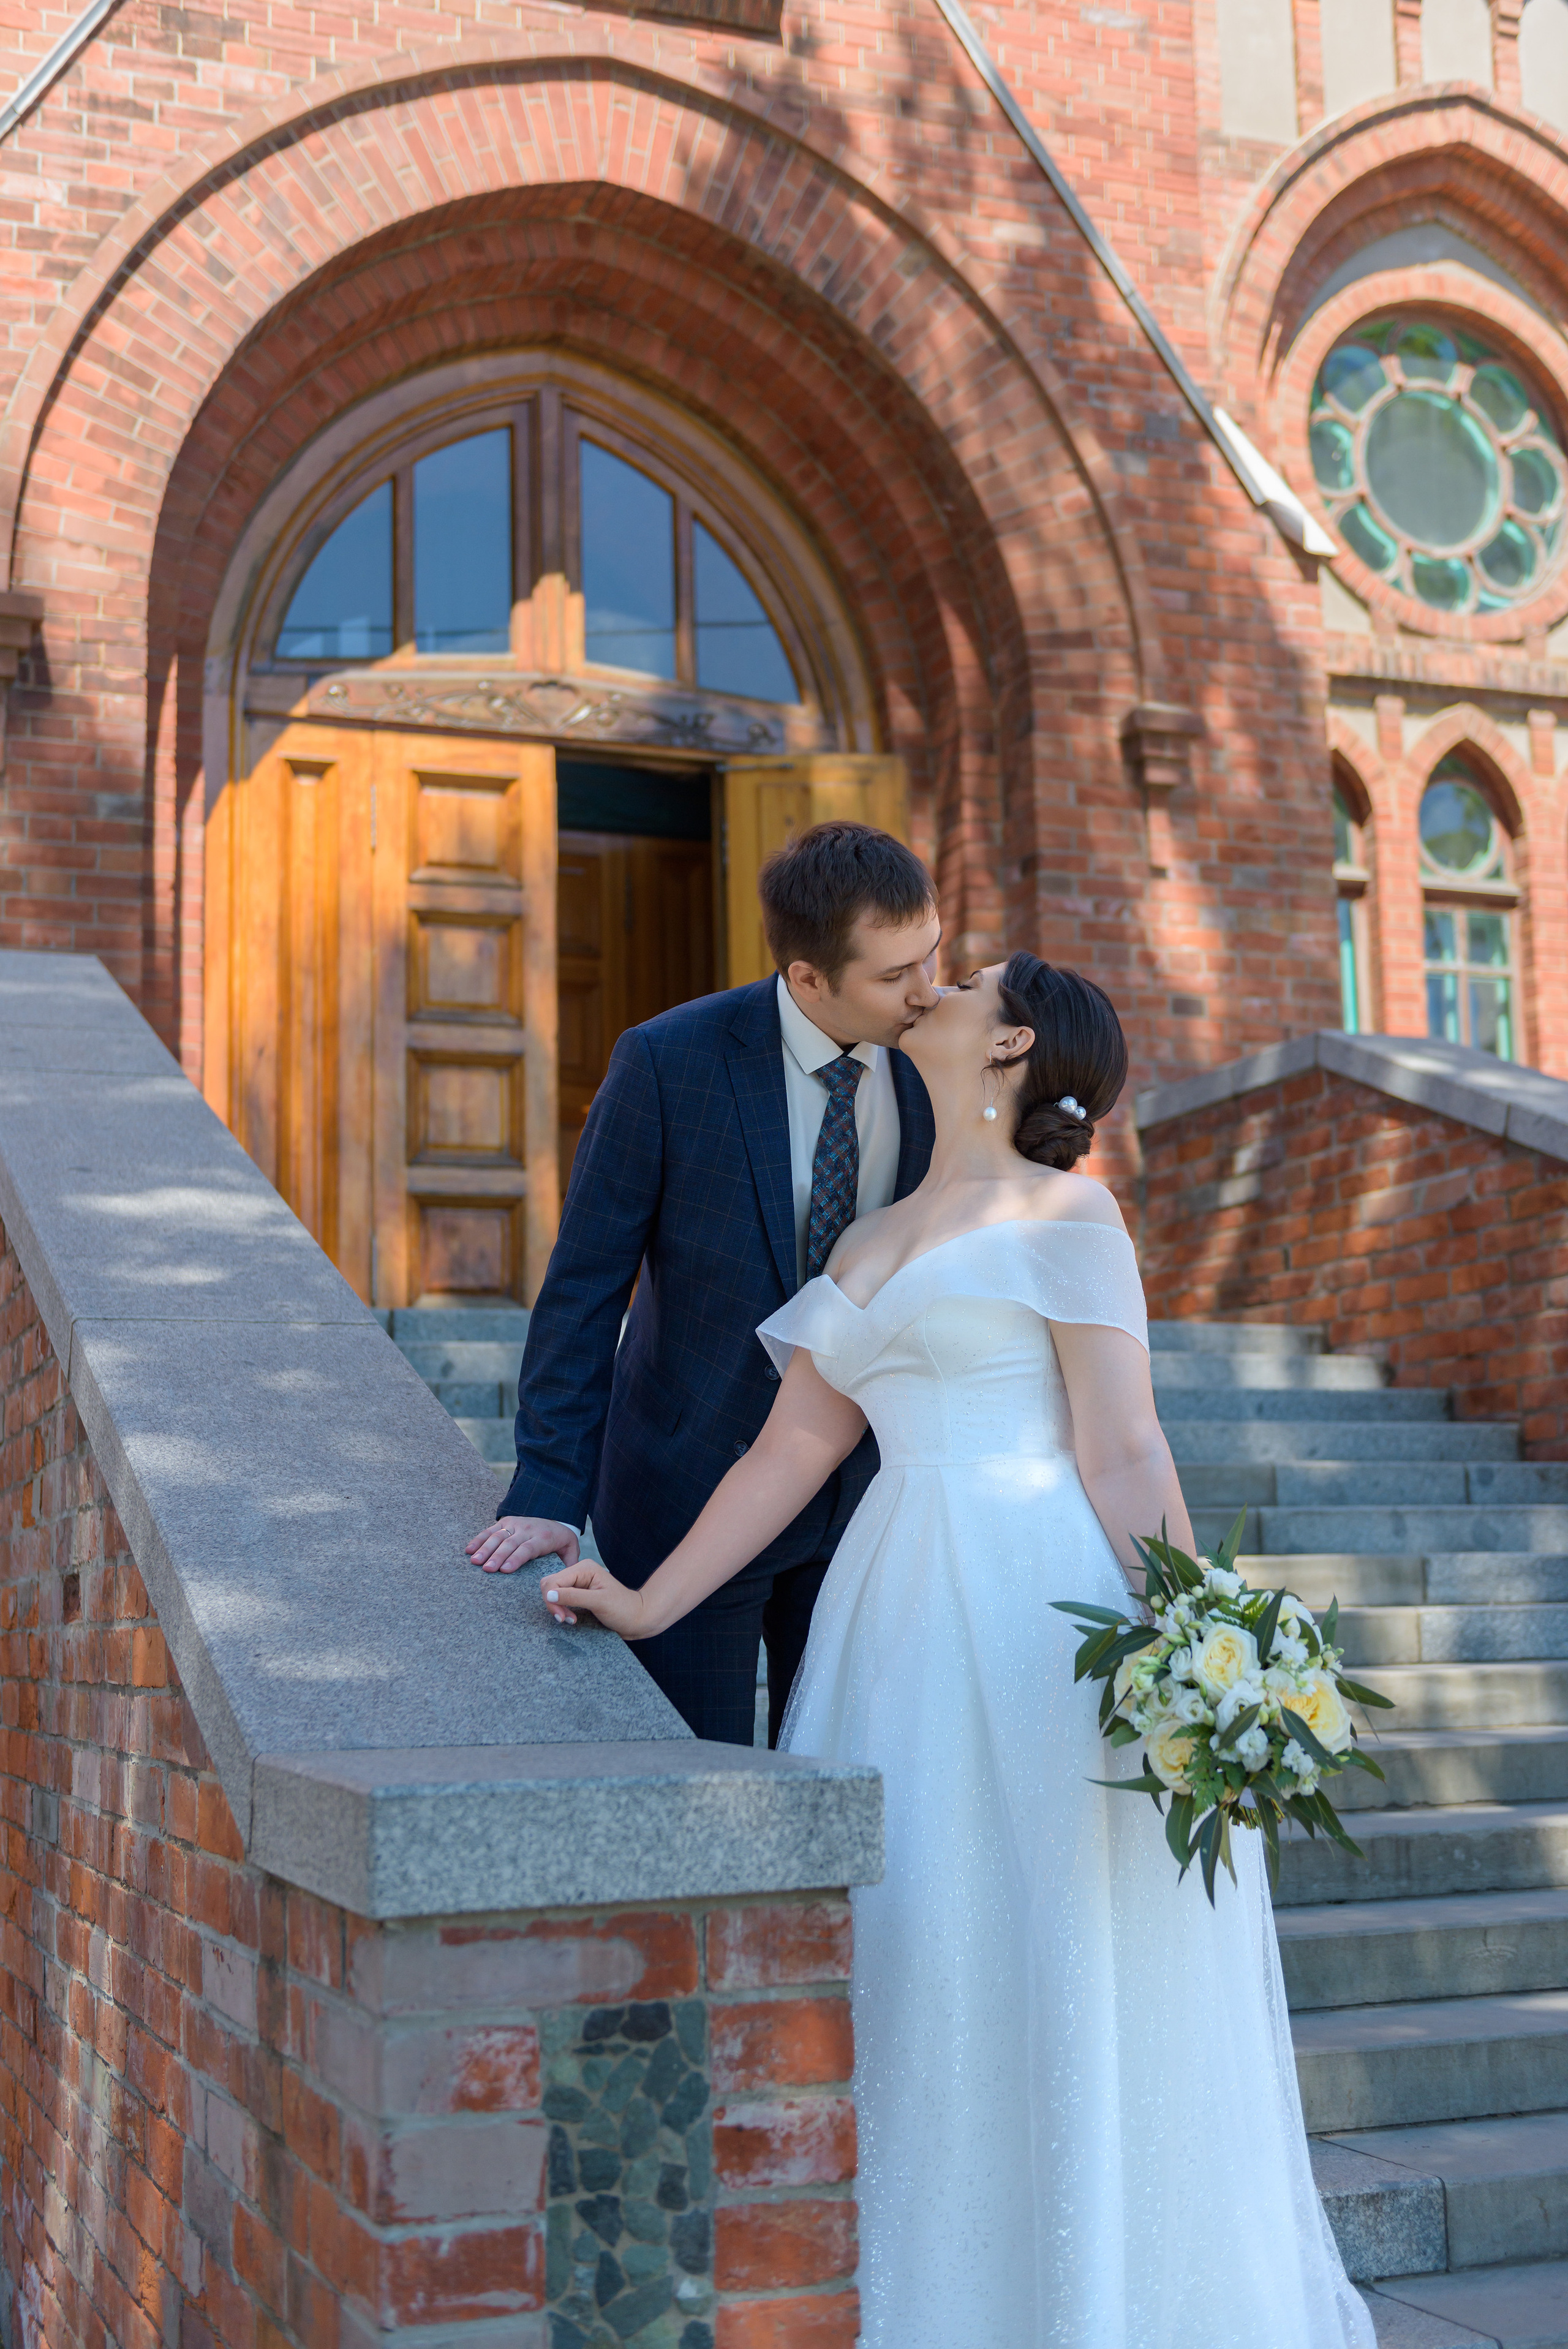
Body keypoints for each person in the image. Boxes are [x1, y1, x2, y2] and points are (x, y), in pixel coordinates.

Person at [533, 952, 1375, 2349]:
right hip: (893, 1619)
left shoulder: (1072, 1214)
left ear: (1013, 1044)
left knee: (1049, 1935)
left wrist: (1206, 1642)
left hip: (1039, 1606)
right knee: (913, 1941)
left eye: (970, 980)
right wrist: (648, 1596)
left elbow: (1119, 1443)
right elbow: (786, 1452)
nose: (937, 983)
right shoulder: (863, 1243)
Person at [464, 820, 940, 1745]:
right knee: (700, 1801)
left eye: (930, 956)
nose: (926, 993)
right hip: (682, 1494)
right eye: (894, 977)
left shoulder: (938, 1072)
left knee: (835, 1794)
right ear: (808, 977)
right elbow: (584, 1288)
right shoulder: (668, 1063)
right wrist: (547, 1489)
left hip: (865, 1507)